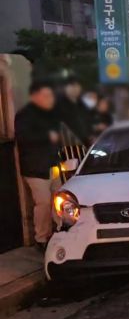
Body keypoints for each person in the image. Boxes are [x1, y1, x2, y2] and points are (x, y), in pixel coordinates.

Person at [15, 80, 62, 249]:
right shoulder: (24, 115)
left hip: (51, 164)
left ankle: (60, 230)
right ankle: (41, 238)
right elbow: (24, 139)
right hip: (35, 168)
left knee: (59, 198)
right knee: (43, 203)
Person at [54, 79, 92, 145]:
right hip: (67, 143)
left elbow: (87, 121)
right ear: (65, 87)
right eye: (72, 86)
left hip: (84, 141)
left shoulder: (82, 105)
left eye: (77, 86)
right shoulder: (58, 104)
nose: (75, 89)